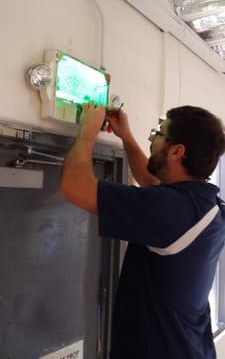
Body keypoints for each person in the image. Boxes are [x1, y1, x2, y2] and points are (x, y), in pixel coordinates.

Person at [60, 103, 225, 359]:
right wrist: (125, 137)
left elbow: (74, 186)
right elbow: (152, 183)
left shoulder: (170, 209)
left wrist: (88, 131)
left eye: (159, 133)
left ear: (176, 151)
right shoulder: (207, 204)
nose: (151, 137)